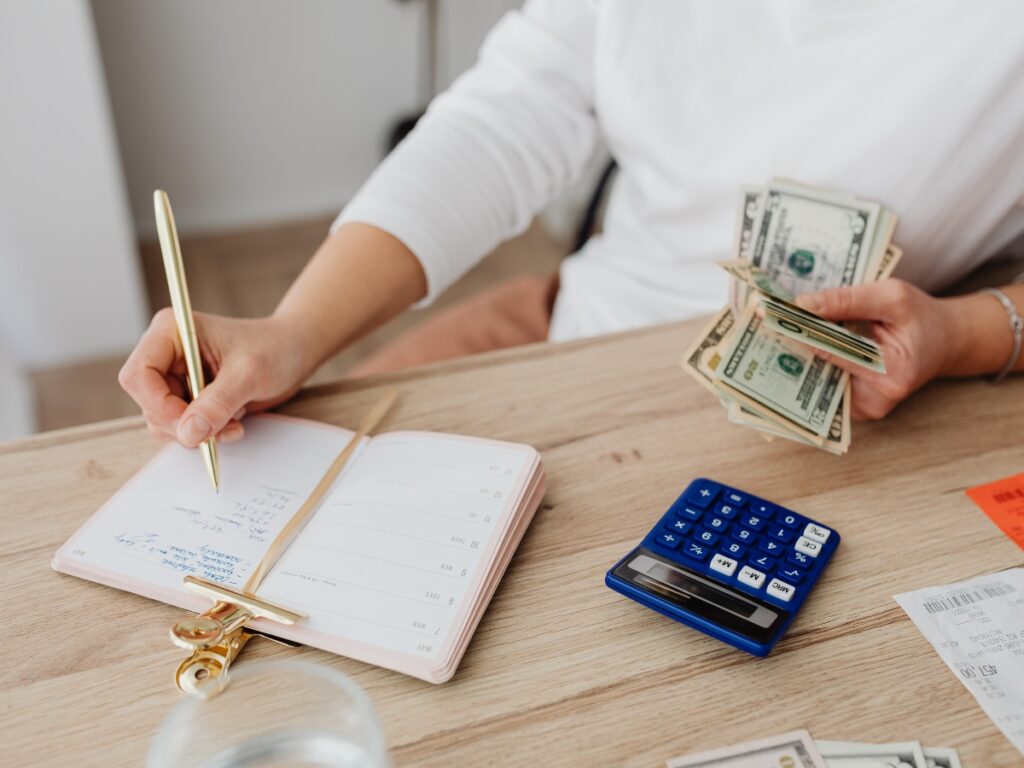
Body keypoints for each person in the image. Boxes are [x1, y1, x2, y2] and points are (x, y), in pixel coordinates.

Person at [119, 1, 1024, 444]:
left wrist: (970, 331)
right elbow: (508, 115)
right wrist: (293, 329)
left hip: (868, 419)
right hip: (574, 329)